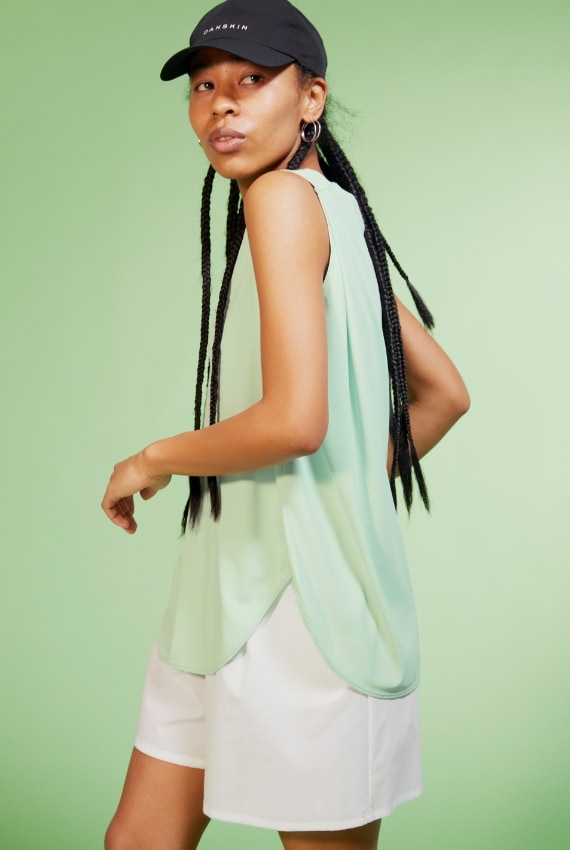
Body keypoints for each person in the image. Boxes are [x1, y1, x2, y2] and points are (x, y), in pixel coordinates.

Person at [101, 1, 470, 848]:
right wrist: (340, 496)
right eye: (204, 86)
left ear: (311, 99)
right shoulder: (338, 217)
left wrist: (152, 458)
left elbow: (296, 422)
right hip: (221, 598)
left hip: (305, 620)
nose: (222, 103)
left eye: (253, 80)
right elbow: (446, 394)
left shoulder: (279, 200)